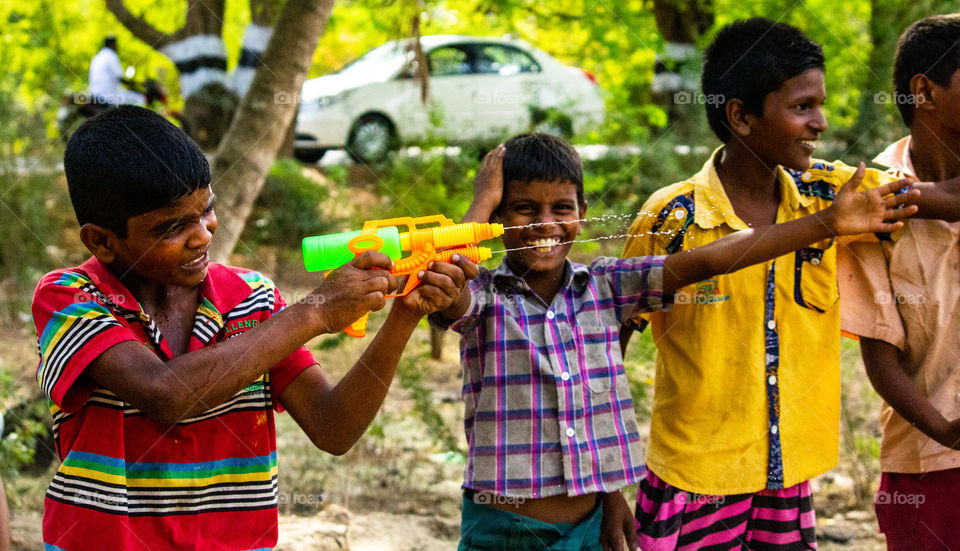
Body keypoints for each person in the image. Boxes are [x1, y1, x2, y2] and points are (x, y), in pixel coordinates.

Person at [429, 133, 916, 551]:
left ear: (582, 214)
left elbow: (710, 260)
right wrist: (478, 207)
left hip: (590, 525)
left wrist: (611, 494)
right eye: (521, 209)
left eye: (561, 208)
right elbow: (443, 278)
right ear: (497, 216)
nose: (544, 223)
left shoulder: (604, 289)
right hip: (503, 528)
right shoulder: (485, 300)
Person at [31, 105, 476, 550]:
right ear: (102, 241)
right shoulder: (71, 297)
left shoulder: (253, 297)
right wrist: (314, 313)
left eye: (206, 211)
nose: (203, 235)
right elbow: (166, 393)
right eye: (172, 227)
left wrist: (405, 314)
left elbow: (333, 427)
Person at [620, 18, 960, 550]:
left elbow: (927, 196)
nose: (821, 122)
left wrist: (910, 200)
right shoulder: (672, 217)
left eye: (820, 105)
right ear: (741, 116)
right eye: (802, 107)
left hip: (789, 477)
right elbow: (606, 346)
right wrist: (605, 485)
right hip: (693, 478)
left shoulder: (831, 191)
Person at [838, 14, 960, 550]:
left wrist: (896, 199)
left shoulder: (876, 199)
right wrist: (946, 430)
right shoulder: (869, 199)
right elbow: (879, 352)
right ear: (924, 90)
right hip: (924, 461)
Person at [89, 36, 144, 106]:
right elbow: (120, 78)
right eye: (116, 45)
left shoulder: (97, 57)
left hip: (95, 93)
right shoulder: (111, 55)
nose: (117, 47)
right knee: (140, 99)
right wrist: (136, 85)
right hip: (108, 96)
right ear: (112, 44)